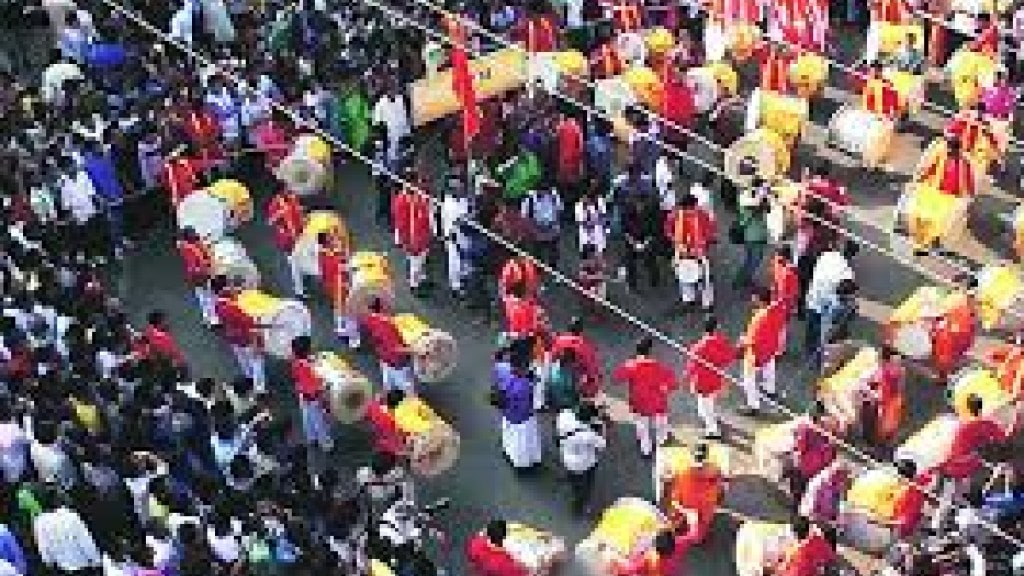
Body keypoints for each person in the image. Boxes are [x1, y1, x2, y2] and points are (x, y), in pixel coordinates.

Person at [612, 337, 678, 457]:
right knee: (661, 424)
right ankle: (661, 442)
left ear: (637, 351)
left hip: (640, 402)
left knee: (642, 425)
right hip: (657, 401)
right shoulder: (659, 366)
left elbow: (617, 378)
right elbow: (673, 384)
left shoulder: (631, 365)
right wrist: (665, 388)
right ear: (650, 351)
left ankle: (645, 449)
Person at [212, 275, 266, 393]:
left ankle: (249, 379)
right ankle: (259, 388)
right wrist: (256, 341)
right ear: (224, 288)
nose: (232, 287)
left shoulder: (218, 304)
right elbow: (250, 324)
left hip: (232, 337)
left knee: (243, 360)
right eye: (229, 284)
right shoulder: (234, 307)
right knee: (256, 361)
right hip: (245, 338)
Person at [686, 316, 737, 439]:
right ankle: (711, 419)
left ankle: (712, 430)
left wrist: (687, 379)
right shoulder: (722, 342)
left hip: (702, 382)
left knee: (705, 405)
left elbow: (691, 368)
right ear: (717, 327)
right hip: (716, 379)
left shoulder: (697, 347)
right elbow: (729, 357)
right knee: (709, 402)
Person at [739, 287, 787, 414]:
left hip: (756, 353)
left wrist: (743, 341)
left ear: (760, 300)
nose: (752, 299)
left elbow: (752, 339)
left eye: (754, 297)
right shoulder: (777, 309)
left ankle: (753, 405)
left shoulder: (759, 318)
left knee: (748, 378)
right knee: (769, 369)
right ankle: (769, 390)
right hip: (771, 348)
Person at [665, 192, 716, 310]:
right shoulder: (675, 216)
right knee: (685, 277)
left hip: (696, 252)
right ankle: (692, 300)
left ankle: (703, 302)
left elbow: (710, 232)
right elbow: (668, 231)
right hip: (684, 252)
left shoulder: (701, 215)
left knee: (703, 279)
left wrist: (704, 242)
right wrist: (677, 242)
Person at [289, 335, 334, 461]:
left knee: (307, 417)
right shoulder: (308, 369)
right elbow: (317, 387)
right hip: (313, 398)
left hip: (302, 395)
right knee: (320, 421)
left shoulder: (295, 361)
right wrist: (325, 386)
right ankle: (326, 444)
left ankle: (311, 437)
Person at [492, 358, 542, 470]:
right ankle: (524, 462)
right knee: (523, 442)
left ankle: (511, 454)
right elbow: (530, 403)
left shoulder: (504, 372)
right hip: (523, 418)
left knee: (511, 437)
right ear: (521, 369)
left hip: (508, 413)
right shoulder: (524, 385)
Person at [556, 401, 606, 513]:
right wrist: (602, 425)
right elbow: (602, 444)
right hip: (585, 464)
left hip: (567, 457)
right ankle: (581, 505)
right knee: (586, 485)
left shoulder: (564, 416)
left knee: (574, 479)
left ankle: (574, 486)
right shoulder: (588, 436)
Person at [361, 297, 415, 395]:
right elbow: (396, 349)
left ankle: (390, 402)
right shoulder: (385, 325)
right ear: (381, 307)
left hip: (383, 358)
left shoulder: (368, 319)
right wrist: (416, 350)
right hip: (397, 363)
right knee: (408, 389)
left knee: (388, 385)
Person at [391, 178, 434, 297]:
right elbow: (401, 225)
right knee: (415, 263)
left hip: (423, 237)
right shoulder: (402, 201)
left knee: (421, 261)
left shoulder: (417, 196)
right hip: (413, 240)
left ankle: (420, 279)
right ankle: (415, 285)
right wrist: (407, 242)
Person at [316, 231, 359, 349]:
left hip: (331, 284)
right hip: (340, 285)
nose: (332, 239)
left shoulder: (322, 253)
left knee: (338, 308)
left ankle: (339, 328)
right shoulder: (332, 257)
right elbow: (344, 268)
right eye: (330, 238)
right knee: (349, 311)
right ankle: (353, 339)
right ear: (326, 242)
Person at [265, 187, 305, 297]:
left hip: (299, 234)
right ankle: (299, 290)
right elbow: (270, 221)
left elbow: (299, 212)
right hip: (287, 240)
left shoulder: (293, 198)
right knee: (294, 265)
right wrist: (280, 214)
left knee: (301, 259)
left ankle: (302, 282)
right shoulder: (275, 204)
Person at [177, 226, 217, 326]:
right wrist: (208, 268)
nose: (195, 235)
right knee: (208, 296)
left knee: (202, 296)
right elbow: (200, 264)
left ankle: (207, 317)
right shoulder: (191, 249)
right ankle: (213, 319)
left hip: (195, 275)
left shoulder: (184, 245)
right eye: (193, 235)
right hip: (199, 276)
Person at [733, 182, 770, 289]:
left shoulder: (747, 199)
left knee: (750, 260)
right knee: (754, 261)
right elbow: (758, 206)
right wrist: (763, 195)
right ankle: (741, 280)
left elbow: (767, 209)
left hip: (752, 235)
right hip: (755, 237)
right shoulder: (748, 201)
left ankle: (743, 279)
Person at [521, 186, 563, 268]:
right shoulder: (529, 199)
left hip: (552, 228)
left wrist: (554, 228)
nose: (544, 192)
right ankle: (538, 269)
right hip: (536, 229)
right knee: (537, 254)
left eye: (545, 190)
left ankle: (553, 268)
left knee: (553, 253)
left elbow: (559, 211)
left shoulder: (553, 195)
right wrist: (535, 231)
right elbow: (525, 218)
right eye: (541, 190)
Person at [440, 182, 469, 298]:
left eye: (461, 188)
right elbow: (454, 221)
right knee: (454, 262)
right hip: (452, 236)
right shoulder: (448, 204)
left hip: (463, 234)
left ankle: (464, 280)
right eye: (458, 189)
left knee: (464, 260)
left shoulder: (463, 200)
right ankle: (455, 287)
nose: (461, 190)